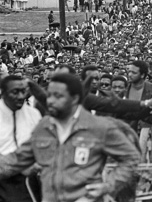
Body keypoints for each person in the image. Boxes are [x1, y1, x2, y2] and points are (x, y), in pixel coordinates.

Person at [0, 73, 141, 202]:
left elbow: (131, 158)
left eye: (58, 96)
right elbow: (15, 160)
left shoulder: (99, 127)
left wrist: (109, 185)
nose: (50, 101)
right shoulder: (44, 126)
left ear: (74, 99)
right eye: (49, 95)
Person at [0, 75, 42, 202]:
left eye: (23, 91)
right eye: (15, 92)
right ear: (3, 93)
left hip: (28, 181)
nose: (21, 96)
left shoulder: (33, 114)